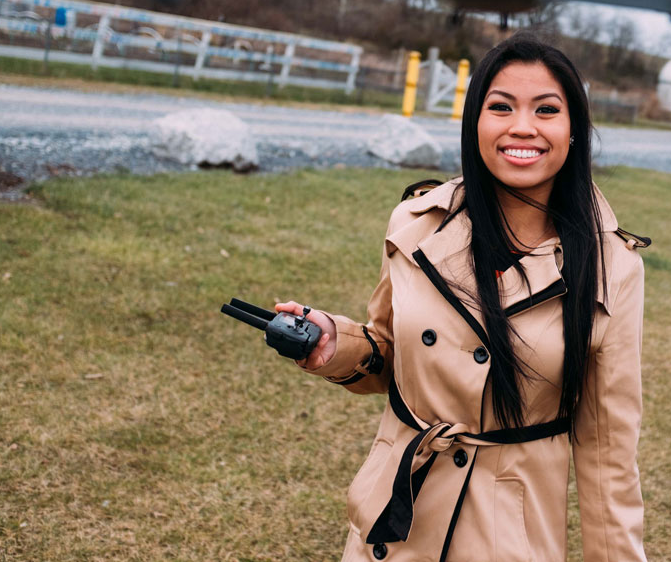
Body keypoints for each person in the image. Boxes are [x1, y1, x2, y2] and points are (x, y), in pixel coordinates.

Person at [275, 32, 650, 562]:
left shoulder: (612, 267)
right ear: (475, 123)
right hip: (395, 519)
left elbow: (607, 453)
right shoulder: (415, 223)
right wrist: (337, 344)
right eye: (501, 107)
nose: (523, 126)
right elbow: (388, 353)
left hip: (506, 537)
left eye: (546, 110)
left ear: (572, 134)